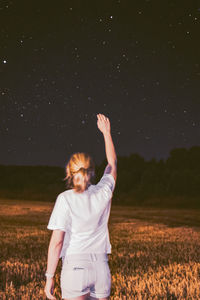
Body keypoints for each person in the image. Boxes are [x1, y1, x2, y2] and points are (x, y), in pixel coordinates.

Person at [44, 113, 117, 300]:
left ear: (69, 171)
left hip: (75, 267)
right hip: (101, 268)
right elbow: (112, 163)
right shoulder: (103, 192)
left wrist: (49, 277)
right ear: (92, 172)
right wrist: (106, 133)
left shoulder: (65, 199)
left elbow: (57, 243)